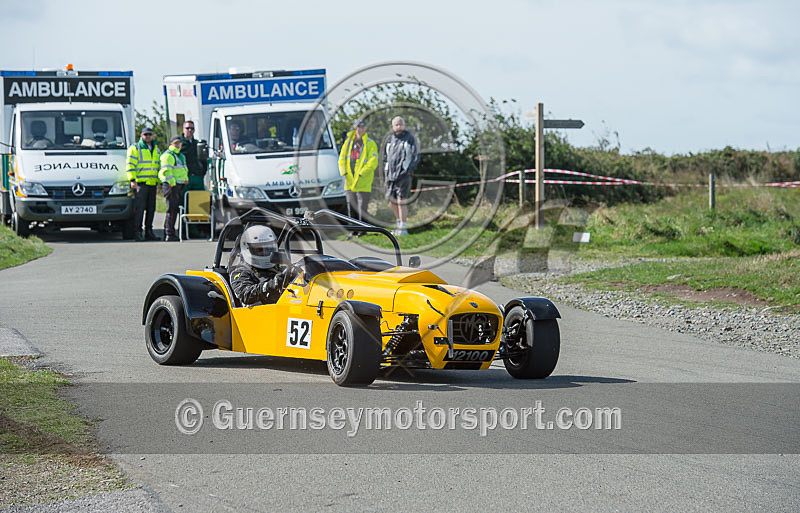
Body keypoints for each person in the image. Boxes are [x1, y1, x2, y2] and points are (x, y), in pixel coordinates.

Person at [229, 225, 286, 305]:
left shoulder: (279, 268)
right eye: (260, 250)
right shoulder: (240, 272)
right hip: (256, 314)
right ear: (247, 249)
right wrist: (269, 285)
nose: (265, 253)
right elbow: (245, 295)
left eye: (269, 249)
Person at [382, 116, 419, 236]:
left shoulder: (410, 138)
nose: (398, 126)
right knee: (391, 200)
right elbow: (384, 157)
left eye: (400, 124)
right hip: (390, 175)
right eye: (396, 124)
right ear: (392, 127)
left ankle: (403, 227)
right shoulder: (389, 139)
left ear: (404, 125)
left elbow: (415, 155)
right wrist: (385, 170)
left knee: (401, 199)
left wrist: (410, 169)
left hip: (403, 173)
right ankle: (398, 224)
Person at [338, 119, 378, 224]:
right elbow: (341, 159)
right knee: (351, 207)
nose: (360, 129)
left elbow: (373, 161)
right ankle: (353, 230)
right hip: (350, 180)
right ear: (355, 128)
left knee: (362, 208)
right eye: (359, 127)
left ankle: (363, 230)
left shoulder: (370, 143)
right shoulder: (347, 143)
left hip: (363, 181)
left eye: (363, 127)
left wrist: (362, 173)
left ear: (365, 128)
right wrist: (344, 172)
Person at [126, 127, 161, 241]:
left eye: (150, 134)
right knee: (139, 209)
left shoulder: (156, 148)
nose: (148, 136)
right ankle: (137, 232)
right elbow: (130, 165)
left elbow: (158, 165)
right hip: (140, 183)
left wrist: (159, 180)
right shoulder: (135, 148)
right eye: (145, 134)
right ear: (141, 136)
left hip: (152, 182)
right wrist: (132, 180)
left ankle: (149, 232)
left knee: (151, 209)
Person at [159, 136, 189, 241]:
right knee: (171, 209)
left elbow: (183, 169)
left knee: (174, 209)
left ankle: (170, 231)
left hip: (179, 185)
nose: (177, 145)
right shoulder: (168, 155)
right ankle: (169, 233)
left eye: (179, 143)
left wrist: (185, 179)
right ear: (171, 144)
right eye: (175, 143)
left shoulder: (180, 155)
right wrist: (172, 183)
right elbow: (166, 171)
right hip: (171, 185)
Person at [179, 121, 206, 192]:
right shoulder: (178, 144)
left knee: (199, 200)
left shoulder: (197, 144)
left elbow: (204, 159)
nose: (190, 130)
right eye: (187, 128)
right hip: (184, 178)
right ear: (183, 129)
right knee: (184, 200)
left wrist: (202, 171)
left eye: (192, 128)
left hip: (198, 177)